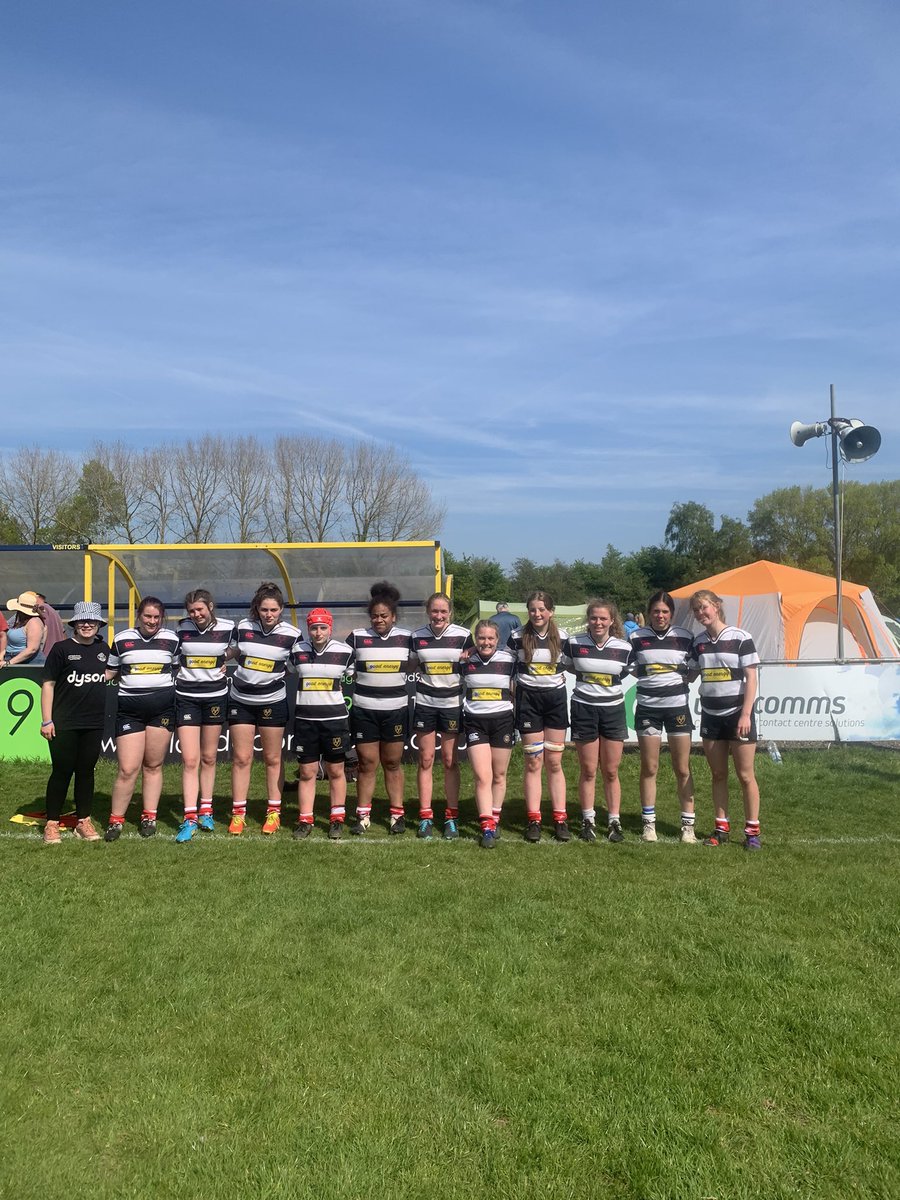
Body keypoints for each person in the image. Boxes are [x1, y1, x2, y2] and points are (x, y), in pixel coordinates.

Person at [689, 589, 762, 851]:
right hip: (711, 715)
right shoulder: (698, 642)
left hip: (738, 715)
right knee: (718, 774)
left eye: (704, 607)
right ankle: (721, 829)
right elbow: (690, 674)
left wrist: (745, 714)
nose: (701, 613)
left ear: (717, 606)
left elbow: (751, 678)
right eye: (696, 610)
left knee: (745, 775)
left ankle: (752, 832)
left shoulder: (741, 637)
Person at [228, 581, 300, 836]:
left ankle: (274, 812)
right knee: (241, 758)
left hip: (272, 701)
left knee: (272, 758)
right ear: (257, 609)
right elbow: (231, 652)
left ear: (281, 609)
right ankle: (238, 814)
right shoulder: (243, 627)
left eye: (274, 610)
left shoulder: (293, 634)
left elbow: (295, 665)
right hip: (240, 700)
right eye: (264, 609)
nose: (269, 614)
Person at [104, 596, 179, 841]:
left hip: (162, 712)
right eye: (148, 616)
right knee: (127, 769)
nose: (152, 621)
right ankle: (116, 820)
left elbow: (177, 669)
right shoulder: (122, 639)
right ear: (139, 616)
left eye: (157, 617)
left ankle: (149, 816)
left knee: (153, 766)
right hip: (130, 712)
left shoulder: (172, 640)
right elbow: (110, 672)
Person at [346, 581, 415, 835]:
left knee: (392, 762)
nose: (379, 620)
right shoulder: (356, 637)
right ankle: (363, 816)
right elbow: (345, 665)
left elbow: (418, 662)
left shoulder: (407, 638)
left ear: (393, 616)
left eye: (384, 615)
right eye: (375, 616)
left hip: (395, 710)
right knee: (366, 763)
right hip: (364, 710)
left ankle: (397, 815)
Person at [39, 601, 110, 844]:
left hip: (93, 722)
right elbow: (48, 684)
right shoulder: (61, 649)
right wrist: (47, 720)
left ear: (99, 624)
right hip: (64, 722)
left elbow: (110, 673)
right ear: (75, 623)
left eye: (91, 621)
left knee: (86, 772)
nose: (87, 625)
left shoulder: (104, 649)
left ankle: (83, 821)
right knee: (61, 771)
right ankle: (52, 823)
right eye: (82, 621)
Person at [562, 599, 632, 842]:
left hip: (613, 710)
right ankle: (588, 820)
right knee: (589, 770)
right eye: (594, 618)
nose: (598, 622)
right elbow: (569, 667)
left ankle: (614, 821)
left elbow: (624, 671)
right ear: (588, 620)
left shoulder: (623, 647)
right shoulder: (574, 643)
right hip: (583, 708)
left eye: (603, 618)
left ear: (612, 621)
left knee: (611, 771)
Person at [630, 592, 697, 843]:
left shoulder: (685, 637)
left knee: (682, 768)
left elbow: (693, 669)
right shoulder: (636, 637)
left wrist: (677, 682)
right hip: (648, 709)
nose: (660, 616)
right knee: (650, 767)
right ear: (649, 613)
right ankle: (649, 825)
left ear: (672, 614)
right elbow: (632, 667)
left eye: (665, 612)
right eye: (656, 611)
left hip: (677, 708)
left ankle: (688, 827)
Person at [174, 589, 236, 842]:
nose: (196, 614)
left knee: (209, 757)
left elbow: (239, 648)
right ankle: (189, 818)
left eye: (200, 609)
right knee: (190, 760)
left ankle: (206, 811)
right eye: (191, 611)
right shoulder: (181, 629)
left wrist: (226, 657)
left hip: (215, 697)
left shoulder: (229, 627)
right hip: (186, 697)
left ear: (210, 606)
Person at [411, 592, 472, 840]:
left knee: (449, 761)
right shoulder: (417, 636)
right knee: (425, 759)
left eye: (443, 611)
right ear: (428, 612)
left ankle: (451, 817)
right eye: (434, 611)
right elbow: (408, 665)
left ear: (450, 613)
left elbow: (477, 660)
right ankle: (425, 817)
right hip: (425, 703)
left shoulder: (463, 635)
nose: (438, 616)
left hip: (452, 704)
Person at [508, 590, 569, 842]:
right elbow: (505, 665)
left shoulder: (564, 637)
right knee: (533, 762)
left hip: (555, 701)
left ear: (551, 611)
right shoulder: (516, 637)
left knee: (554, 762)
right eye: (532, 609)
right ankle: (534, 819)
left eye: (542, 609)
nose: (537, 614)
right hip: (528, 701)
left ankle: (560, 819)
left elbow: (574, 664)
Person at [290, 608, 354, 840]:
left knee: (335, 770)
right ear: (308, 629)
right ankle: (305, 820)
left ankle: (337, 819)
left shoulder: (345, 652)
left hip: (334, 721)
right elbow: (285, 671)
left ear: (330, 628)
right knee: (307, 772)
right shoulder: (297, 650)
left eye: (323, 627)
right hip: (305, 721)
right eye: (314, 627)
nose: (318, 632)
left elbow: (356, 674)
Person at [461, 620, 516, 848]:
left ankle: (495, 817)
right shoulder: (465, 660)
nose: (486, 642)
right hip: (475, 722)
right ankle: (486, 827)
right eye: (481, 638)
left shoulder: (509, 660)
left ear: (497, 640)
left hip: (503, 721)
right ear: (476, 639)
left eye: (490, 638)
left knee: (499, 775)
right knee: (483, 776)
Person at [3, 590, 46, 666]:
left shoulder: (34, 622)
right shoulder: (20, 621)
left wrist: (9, 663)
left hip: (29, 662)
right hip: (14, 658)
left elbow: (32, 649)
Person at [36, 593, 66, 658]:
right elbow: (63, 634)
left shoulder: (40, 612)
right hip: (59, 654)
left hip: (45, 656)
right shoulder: (54, 612)